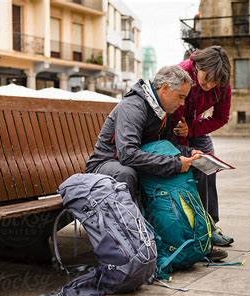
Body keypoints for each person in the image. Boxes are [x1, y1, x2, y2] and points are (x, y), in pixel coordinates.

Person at [85, 65, 229, 261]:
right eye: (181, 96)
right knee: (126, 173)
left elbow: (168, 143)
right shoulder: (133, 106)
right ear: (165, 89)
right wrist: (176, 164)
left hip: (134, 161)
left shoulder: (161, 109)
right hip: (106, 164)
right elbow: (127, 154)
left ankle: (195, 238)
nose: (182, 103)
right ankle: (136, 245)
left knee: (197, 170)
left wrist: (190, 153)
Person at [171, 46, 234, 247]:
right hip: (171, 126)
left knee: (208, 165)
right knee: (190, 166)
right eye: (207, 78)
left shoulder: (222, 84)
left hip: (195, 126)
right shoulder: (180, 72)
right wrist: (179, 128)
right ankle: (190, 224)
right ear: (198, 66)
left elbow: (221, 117)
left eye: (215, 81)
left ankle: (210, 224)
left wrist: (191, 130)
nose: (209, 85)